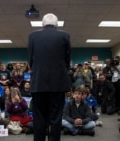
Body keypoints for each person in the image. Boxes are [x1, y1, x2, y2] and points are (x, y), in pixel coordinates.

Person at [28, 13, 71, 141]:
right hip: (58, 84)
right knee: (56, 119)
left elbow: (30, 60)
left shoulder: (33, 36)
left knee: (39, 119)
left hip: (38, 83)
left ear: (42, 24)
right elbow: (67, 60)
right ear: (57, 25)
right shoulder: (64, 35)